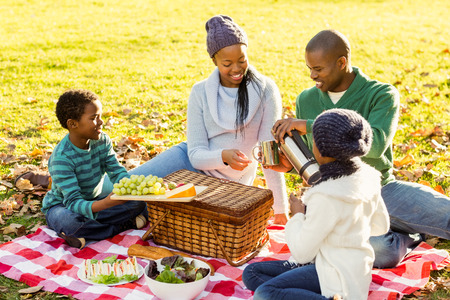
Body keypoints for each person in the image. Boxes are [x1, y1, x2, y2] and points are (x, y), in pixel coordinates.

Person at [271, 29, 450, 268]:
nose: (312, 75)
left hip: (382, 190)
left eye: (319, 69)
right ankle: (408, 236)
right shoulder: (307, 99)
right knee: (381, 250)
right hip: (337, 200)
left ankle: (398, 223)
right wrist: (290, 167)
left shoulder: (381, 94)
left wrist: (310, 125)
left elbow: (374, 145)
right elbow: (316, 164)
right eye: (309, 68)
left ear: (342, 62)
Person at [104, 15, 289, 224]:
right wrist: (223, 156)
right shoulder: (200, 92)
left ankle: (123, 218)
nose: (236, 69)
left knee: (152, 207)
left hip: (225, 185)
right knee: (126, 188)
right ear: (214, 61)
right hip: (190, 161)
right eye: (227, 63)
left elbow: (269, 155)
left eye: (242, 60)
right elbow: (195, 154)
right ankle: (76, 209)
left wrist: (281, 210)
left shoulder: (266, 90)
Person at [243, 108, 390, 299]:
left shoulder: (326, 195)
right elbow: (381, 226)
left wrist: (298, 215)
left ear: (320, 149)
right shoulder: (368, 177)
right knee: (251, 274)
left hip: (335, 277)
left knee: (264, 293)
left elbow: (302, 253)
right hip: (355, 271)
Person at [42, 89, 148, 249]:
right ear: (73, 124)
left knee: (138, 204)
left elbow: (116, 171)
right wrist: (107, 203)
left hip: (94, 201)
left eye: (100, 116)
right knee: (70, 222)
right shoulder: (62, 158)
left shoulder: (101, 140)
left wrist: (129, 189)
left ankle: (84, 233)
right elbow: (73, 202)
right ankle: (122, 226)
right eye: (94, 118)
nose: (101, 122)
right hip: (63, 206)